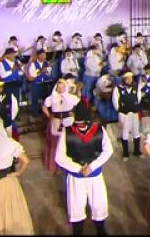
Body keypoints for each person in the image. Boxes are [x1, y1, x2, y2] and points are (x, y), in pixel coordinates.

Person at [54, 100, 113, 236]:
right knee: (76, 207)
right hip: (76, 178)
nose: (79, 126)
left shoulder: (99, 130)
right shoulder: (67, 132)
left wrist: (92, 167)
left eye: (82, 123)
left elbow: (108, 150)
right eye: (77, 123)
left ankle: (101, 230)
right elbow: (59, 157)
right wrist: (78, 168)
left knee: (99, 204)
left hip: (95, 176)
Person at [42, 79, 79, 174]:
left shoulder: (71, 97)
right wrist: (49, 116)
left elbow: (79, 104)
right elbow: (44, 106)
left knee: (68, 143)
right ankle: (56, 166)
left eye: (62, 87)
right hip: (56, 122)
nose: (60, 89)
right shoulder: (52, 97)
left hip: (68, 122)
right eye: (59, 87)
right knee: (57, 144)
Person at [112, 72, 142, 161]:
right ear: (124, 79)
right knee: (124, 132)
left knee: (136, 132)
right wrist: (120, 109)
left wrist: (134, 107)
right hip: (124, 114)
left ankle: (137, 151)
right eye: (127, 78)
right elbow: (115, 100)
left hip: (134, 113)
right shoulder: (117, 89)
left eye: (131, 78)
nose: (129, 80)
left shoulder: (137, 87)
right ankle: (125, 153)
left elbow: (138, 98)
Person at [27, 49, 53, 117]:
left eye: (45, 54)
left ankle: (44, 112)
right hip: (36, 84)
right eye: (43, 55)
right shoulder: (33, 64)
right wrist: (41, 71)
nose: (45, 56)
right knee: (35, 99)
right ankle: (35, 113)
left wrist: (48, 70)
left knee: (45, 98)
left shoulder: (46, 63)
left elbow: (49, 73)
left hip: (44, 84)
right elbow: (32, 74)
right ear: (39, 55)